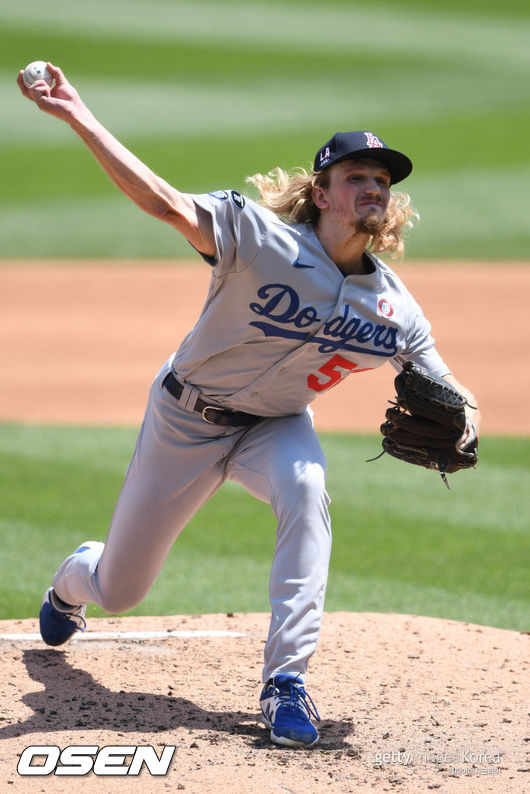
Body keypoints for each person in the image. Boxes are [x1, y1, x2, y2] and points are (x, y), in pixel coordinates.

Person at [18, 63, 480, 749]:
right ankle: (75, 579)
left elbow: (444, 384)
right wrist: (80, 115)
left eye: (383, 180)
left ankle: (284, 683)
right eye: (357, 177)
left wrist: (466, 420)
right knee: (121, 591)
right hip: (185, 419)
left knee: (307, 489)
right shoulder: (258, 238)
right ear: (322, 192)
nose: (374, 188)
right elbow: (165, 204)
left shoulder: (395, 309)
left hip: (278, 426)